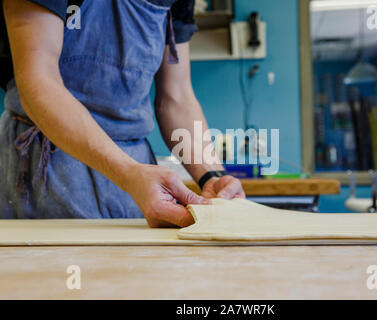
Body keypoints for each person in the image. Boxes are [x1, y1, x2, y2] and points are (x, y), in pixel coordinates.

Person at [0, 0, 245, 227]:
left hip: (138, 179)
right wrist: (128, 173)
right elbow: (38, 85)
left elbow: (176, 97)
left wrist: (212, 176)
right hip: (47, 171)